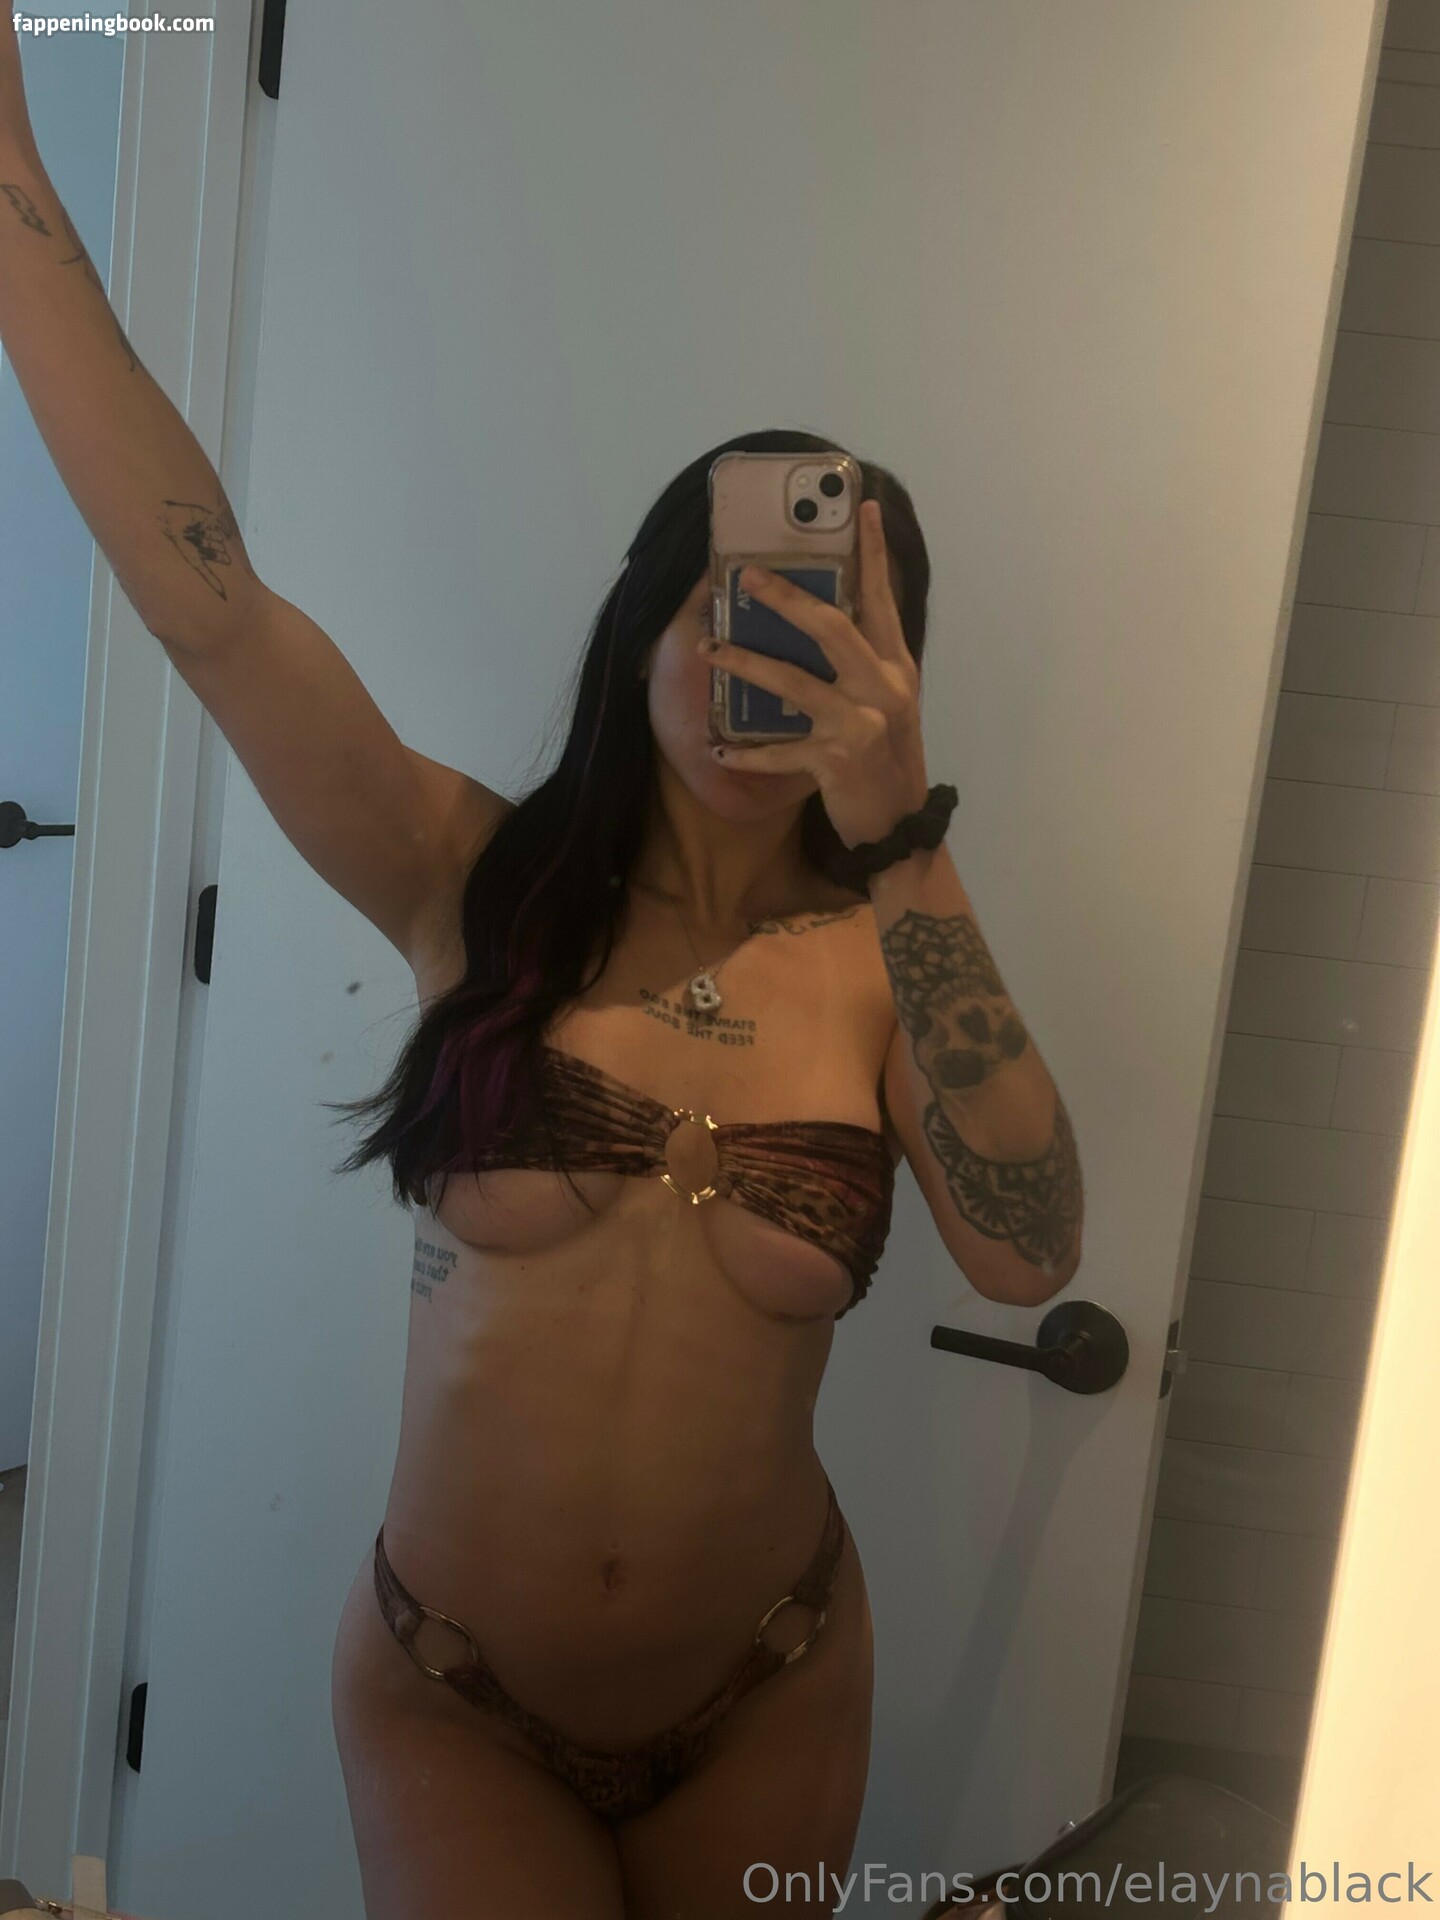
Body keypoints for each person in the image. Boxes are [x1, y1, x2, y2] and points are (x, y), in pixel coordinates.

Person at [0, 23, 1084, 1917]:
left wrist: (906, 830)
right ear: (645, 619)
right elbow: (208, 603)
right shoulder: (467, 876)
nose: (757, 669)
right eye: (728, 609)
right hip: (455, 1697)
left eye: (827, 633)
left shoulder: (882, 958)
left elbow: (1031, 1252)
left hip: (771, 1687)